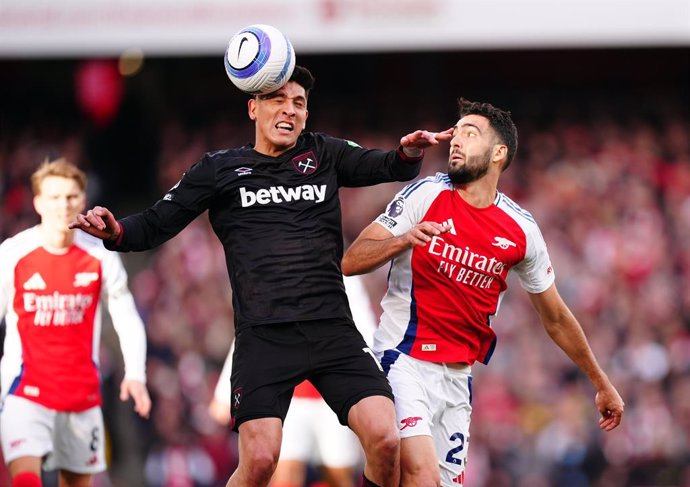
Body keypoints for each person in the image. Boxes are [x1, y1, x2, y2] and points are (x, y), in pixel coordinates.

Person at [69, 65, 453, 487]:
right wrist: (116, 231)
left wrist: (408, 154)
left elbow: (386, 166)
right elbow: (157, 222)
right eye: (278, 100)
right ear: (253, 108)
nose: (290, 110)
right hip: (264, 336)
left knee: (384, 437)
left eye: (299, 103)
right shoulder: (219, 169)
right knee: (261, 459)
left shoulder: (323, 153)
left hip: (331, 329)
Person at [341, 98, 625, 487]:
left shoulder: (520, 229)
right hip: (402, 358)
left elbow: (555, 317)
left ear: (499, 152)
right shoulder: (427, 194)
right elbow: (352, 260)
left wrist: (601, 382)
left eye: (469, 133)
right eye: (455, 133)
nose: (455, 141)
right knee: (420, 475)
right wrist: (403, 239)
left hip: (458, 379)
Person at [0, 158, 151, 487]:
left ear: (82, 200)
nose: (62, 205)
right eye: (54, 197)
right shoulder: (13, 254)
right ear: (38, 202)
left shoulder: (100, 257)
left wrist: (136, 374)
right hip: (24, 391)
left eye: (70, 197)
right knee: (27, 480)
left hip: (81, 395)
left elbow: (126, 316)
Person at [209, 274, 377, 487]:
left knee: (339, 475)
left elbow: (364, 330)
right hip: (288, 396)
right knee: (284, 475)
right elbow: (252, 331)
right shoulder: (273, 272)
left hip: (332, 399)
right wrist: (224, 393)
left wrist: (372, 385)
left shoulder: (341, 276)